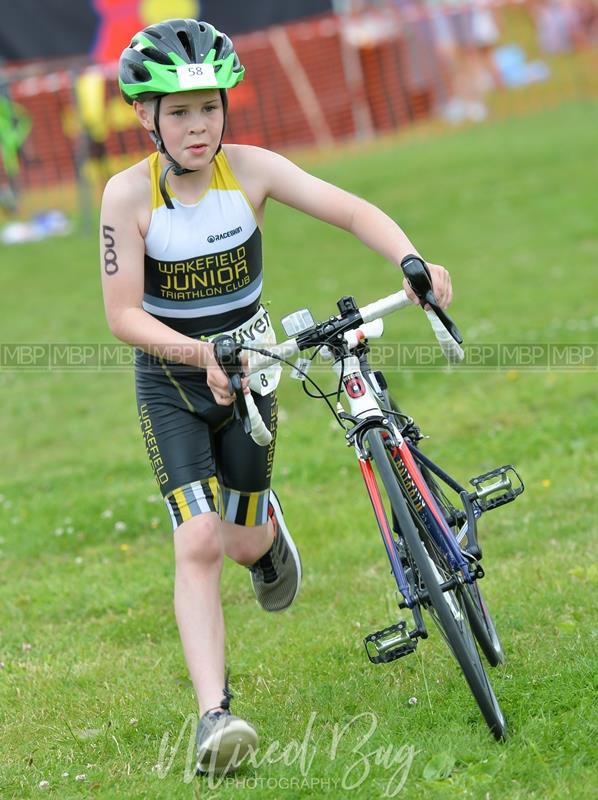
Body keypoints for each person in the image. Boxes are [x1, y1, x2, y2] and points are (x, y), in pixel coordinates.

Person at [101, 18, 452, 777]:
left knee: (243, 542)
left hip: (256, 371)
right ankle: (214, 718)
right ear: (145, 116)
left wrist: (411, 257)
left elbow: (351, 209)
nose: (199, 126)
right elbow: (122, 313)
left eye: (210, 107)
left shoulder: (252, 170)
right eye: (179, 111)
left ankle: (266, 544)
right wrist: (199, 354)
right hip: (174, 386)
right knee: (196, 540)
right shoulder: (125, 195)